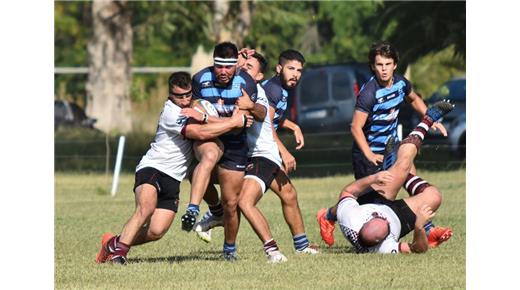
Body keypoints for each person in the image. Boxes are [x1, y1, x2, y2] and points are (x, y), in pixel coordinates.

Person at [95, 72, 251, 265]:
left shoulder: (193, 106)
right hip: (153, 168)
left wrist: (218, 118)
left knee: (156, 231)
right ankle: (119, 255)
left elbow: (208, 122)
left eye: (188, 95)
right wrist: (234, 123)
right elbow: (198, 132)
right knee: (145, 209)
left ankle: (112, 244)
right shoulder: (171, 112)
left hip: (174, 178)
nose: (185, 100)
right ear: (170, 95)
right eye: (180, 96)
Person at [317, 41, 450, 246]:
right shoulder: (369, 93)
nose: (384, 69)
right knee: (373, 204)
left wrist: (431, 119)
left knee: (409, 175)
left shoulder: (400, 83)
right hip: (368, 155)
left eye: (388, 64)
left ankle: (428, 228)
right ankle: (327, 216)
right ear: (373, 66)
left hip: (392, 148)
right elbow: (355, 127)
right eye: (379, 65)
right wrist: (369, 154)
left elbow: (413, 99)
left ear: (395, 65)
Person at [320, 100, 454, 253]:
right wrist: (419, 227)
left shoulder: (351, 219)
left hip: (376, 202)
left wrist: (373, 178)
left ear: (366, 222)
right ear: (384, 238)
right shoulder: (384, 248)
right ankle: (399, 172)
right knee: (434, 196)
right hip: (400, 218)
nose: (385, 217)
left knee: (403, 164)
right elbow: (417, 249)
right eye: (386, 223)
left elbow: (348, 192)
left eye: (379, 218)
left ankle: (427, 120)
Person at [234, 51, 319, 263]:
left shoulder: (281, 89)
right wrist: (284, 151)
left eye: (299, 70)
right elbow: (267, 124)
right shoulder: (272, 89)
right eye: (291, 69)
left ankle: (301, 246)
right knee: (242, 201)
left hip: (263, 152)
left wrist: (293, 126)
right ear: (279, 68)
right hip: (259, 153)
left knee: (289, 194)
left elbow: (276, 119)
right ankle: (213, 219)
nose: (296, 74)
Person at [187, 42, 263, 260]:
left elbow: (256, 115)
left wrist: (249, 108)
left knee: (231, 202)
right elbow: (195, 110)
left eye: (228, 67)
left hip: (236, 146)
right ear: (214, 63)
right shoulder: (201, 79)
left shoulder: (245, 82)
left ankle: (229, 249)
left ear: (236, 66)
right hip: (210, 138)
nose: (223, 72)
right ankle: (214, 209)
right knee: (195, 176)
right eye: (219, 66)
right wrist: (227, 121)